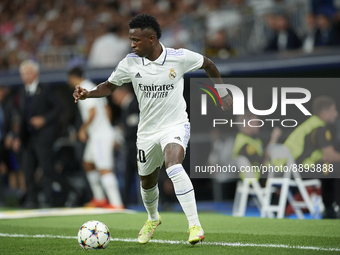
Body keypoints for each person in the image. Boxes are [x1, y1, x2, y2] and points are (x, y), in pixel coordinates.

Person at [73, 14, 232, 245]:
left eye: (136, 40)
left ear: (151, 38)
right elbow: (109, 86)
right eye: (130, 40)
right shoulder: (130, 62)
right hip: (147, 132)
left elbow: (208, 64)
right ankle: (152, 218)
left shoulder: (178, 57)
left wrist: (223, 92)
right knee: (147, 182)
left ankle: (194, 225)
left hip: (175, 124)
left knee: (174, 165)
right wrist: (89, 93)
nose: (132, 44)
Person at [68, 67, 124, 209]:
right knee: (88, 163)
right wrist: (107, 127)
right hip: (99, 134)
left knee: (104, 168)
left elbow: (92, 111)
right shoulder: (93, 86)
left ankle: (117, 204)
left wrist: (83, 129)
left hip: (100, 136)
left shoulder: (83, 89)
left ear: (73, 78)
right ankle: (99, 199)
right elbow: (107, 109)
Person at [284, 96, 340, 218]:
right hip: (302, 169)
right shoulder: (319, 128)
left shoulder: (309, 125)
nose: (336, 114)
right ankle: (330, 209)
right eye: (334, 110)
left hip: (290, 169)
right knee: (334, 167)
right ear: (325, 112)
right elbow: (329, 155)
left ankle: (329, 209)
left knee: (329, 168)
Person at [18, 60, 62, 208]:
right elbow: (21, 117)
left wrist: (44, 119)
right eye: (23, 73)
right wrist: (17, 137)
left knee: (47, 168)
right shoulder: (22, 91)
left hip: (43, 137)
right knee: (28, 169)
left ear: (36, 73)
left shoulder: (45, 88)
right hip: (28, 138)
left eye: (28, 72)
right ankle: (32, 200)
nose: (25, 76)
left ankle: (50, 198)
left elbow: (58, 107)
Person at [111, 85, 139, 206]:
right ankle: (123, 204)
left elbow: (134, 127)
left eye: (115, 95)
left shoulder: (134, 104)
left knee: (148, 176)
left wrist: (121, 135)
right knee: (128, 176)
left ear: (122, 93)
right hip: (131, 148)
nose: (114, 99)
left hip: (139, 147)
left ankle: (160, 204)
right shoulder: (126, 107)